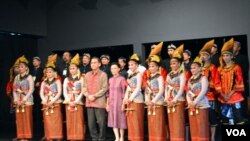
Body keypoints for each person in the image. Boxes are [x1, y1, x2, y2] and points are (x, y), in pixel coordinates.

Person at [218, 38, 247, 125]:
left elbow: (239, 82)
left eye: (227, 55)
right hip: (223, 97)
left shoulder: (236, 67)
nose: (225, 57)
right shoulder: (220, 69)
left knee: (238, 118)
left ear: (231, 56)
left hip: (234, 96)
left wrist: (229, 94)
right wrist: (223, 95)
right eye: (224, 55)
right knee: (225, 119)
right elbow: (217, 83)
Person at [199, 39, 221, 141]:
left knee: (212, 118)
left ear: (209, 56)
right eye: (201, 55)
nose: (203, 57)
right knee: (203, 119)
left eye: (205, 55)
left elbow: (215, 81)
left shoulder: (212, 67)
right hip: (199, 97)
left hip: (209, 96)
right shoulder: (198, 69)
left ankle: (212, 137)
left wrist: (206, 87)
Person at [83, 57, 108, 141]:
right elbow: (84, 88)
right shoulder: (87, 74)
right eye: (91, 63)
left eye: (94, 62)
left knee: (101, 122)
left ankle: (101, 138)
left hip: (99, 102)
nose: (92, 64)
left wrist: (94, 95)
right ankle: (94, 137)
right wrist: (88, 95)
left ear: (99, 64)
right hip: (89, 101)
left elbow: (104, 88)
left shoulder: (103, 74)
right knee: (91, 123)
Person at [165, 44, 186, 141]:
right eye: (171, 63)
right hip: (170, 100)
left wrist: (175, 99)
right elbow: (167, 87)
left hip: (178, 100)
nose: (172, 65)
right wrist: (166, 98)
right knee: (171, 122)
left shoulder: (182, 74)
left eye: (174, 63)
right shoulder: (169, 74)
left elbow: (181, 89)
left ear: (179, 64)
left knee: (178, 122)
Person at [186, 56, 210, 141]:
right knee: (194, 126)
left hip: (201, 103)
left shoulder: (203, 78)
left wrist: (194, 102)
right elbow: (188, 92)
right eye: (191, 68)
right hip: (192, 105)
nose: (192, 70)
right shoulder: (190, 79)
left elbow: (203, 91)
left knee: (202, 126)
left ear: (200, 68)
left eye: (194, 68)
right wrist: (189, 102)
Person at [63, 53, 85, 140]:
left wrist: (76, 101)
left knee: (78, 120)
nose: (72, 70)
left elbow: (83, 91)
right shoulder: (66, 79)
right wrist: (69, 101)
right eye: (70, 68)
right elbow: (64, 91)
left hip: (78, 101)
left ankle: (79, 137)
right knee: (70, 120)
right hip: (69, 101)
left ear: (77, 69)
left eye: (73, 68)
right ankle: (71, 137)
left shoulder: (81, 78)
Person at [40, 58, 63, 140]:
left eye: (50, 72)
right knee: (47, 120)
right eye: (47, 72)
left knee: (56, 120)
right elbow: (41, 93)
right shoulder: (43, 82)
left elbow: (59, 92)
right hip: (46, 102)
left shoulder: (57, 81)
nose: (48, 73)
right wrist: (45, 101)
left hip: (55, 101)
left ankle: (57, 136)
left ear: (54, 72)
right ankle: (49, 136)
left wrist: (52, 101)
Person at [123, 53, 145, 141]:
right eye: (129, 65)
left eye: (132, 64)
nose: (130, 66)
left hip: (137, 99)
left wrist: (130, 98)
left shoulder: (139, 74)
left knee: (137, 122)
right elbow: (128, 88)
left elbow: (138, 88)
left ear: (137, 65)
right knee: (131, 121)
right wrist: (125, 98)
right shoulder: (130, 75)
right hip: (130, 100)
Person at [145, 55, 167, 141]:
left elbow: (161, 90)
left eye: (153, 66)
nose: (151, 68)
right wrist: (147, 100)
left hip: (157, 102)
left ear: (157, 67)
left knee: (158, 123)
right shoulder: (148, 78)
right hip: (150, 102)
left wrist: (153, 101)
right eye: (149, 66)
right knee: (151, 124)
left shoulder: (159, 77)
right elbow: (147, 90)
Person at [12, 55, 34, 141]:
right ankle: (21, 136)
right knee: (19, 119)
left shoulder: (29, 77)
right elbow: (14, 89)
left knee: (27, 118)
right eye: (19, 67)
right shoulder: (16, 78)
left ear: (26, 68)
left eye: (22, 67)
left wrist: (24, 99)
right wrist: (16, 99)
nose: (20, 68)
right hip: (18, 100)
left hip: (27, 99)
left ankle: (27, 136)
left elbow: (31, 89)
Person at [106, 62, 127, 141]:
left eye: (115, 68)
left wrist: (123, 104)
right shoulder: (110, 80)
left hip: (119, 102)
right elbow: (108, 93)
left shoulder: (122, 79)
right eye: (112, 68)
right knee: (113, 119)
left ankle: (121, 137)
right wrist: (107, 104)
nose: (113, 70)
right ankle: (116, 137)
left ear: (119, 69)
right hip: (111, 103)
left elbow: (124, 92)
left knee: (121, 119)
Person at [233, 41, 249, 118]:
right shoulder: (228, 58)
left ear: (239, 48)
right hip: (230, 85)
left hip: (241, 84)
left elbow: (245, 72)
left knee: (242, 100)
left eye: (234, 46)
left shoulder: (243, 58)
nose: (232, 47)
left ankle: (243, 117)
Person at [31, 56, 44, 137]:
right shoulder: (31, 71)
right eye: (33, 61)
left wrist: (39, 82)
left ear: (39, 62)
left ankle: (40, 122)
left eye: (36, 61)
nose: (34, 62)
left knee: (39, 106)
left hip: (39, 90)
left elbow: (43, 79)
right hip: (33, 91)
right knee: (34, 106)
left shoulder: (42, 70)